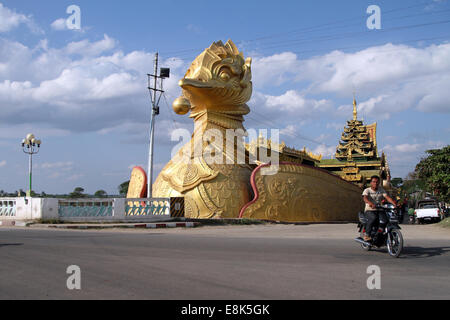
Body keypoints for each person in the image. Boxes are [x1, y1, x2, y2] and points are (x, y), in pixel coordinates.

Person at [362, 176, 398, 241]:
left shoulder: (381, 190)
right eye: (374, 182)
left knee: (386, 220)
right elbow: (365, 198)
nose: (375, 183)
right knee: (373, 218)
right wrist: (371, 204)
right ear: (371, 183)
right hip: (369, 210)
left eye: (377, 182)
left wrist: (394, 204)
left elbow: (387, 197)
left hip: (379, 209)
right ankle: (367, 235)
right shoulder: (367, 190)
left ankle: (380, 234)